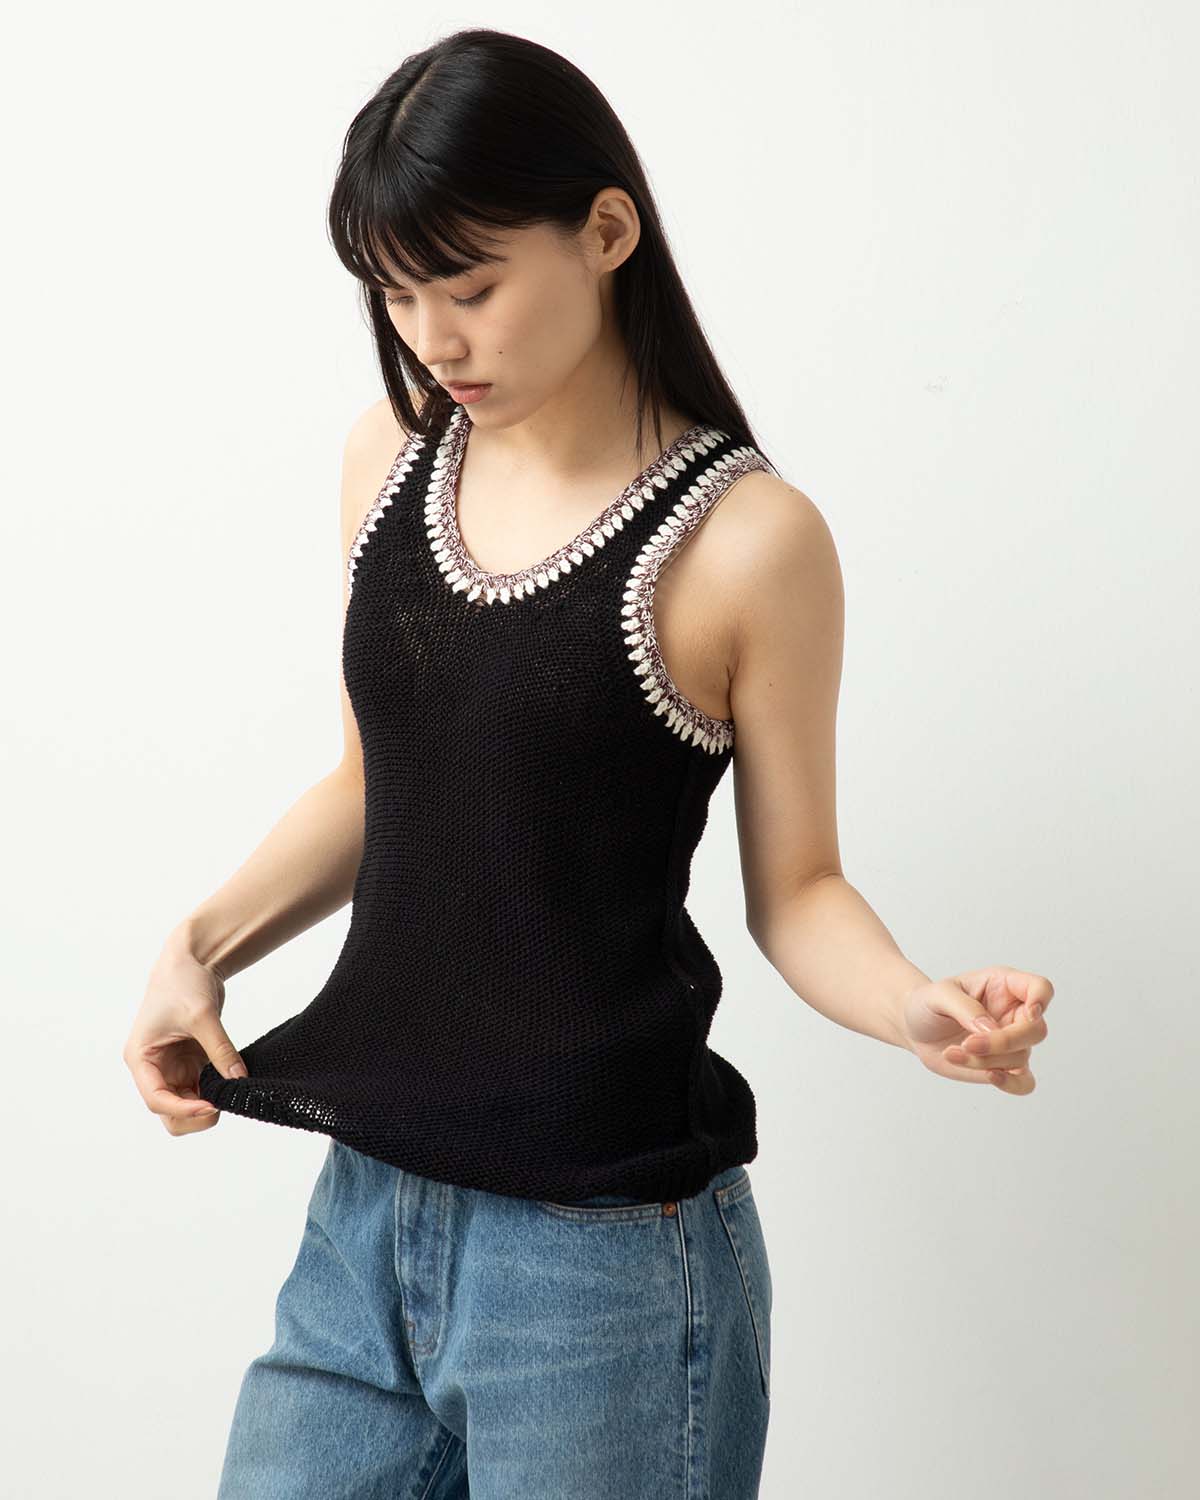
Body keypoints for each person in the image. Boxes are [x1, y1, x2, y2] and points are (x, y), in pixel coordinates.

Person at [123, 26, 1053, 1500]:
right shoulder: (388, 456)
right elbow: (378, 788)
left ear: (607, 231)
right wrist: (198, 947)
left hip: (605, 1265)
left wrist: (914, 1005)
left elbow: (799, 887)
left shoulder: (747, 543)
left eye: (471, 286)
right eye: (397, 293)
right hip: (368, 1209)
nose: (433, 339)